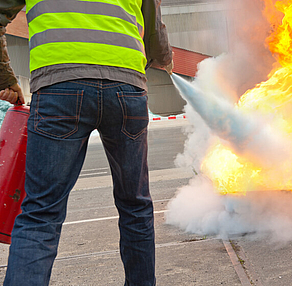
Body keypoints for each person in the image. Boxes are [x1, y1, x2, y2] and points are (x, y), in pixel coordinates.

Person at [0, 0, 173, 285]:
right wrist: (163, 58)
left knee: (40, 214)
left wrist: (5, 77)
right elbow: (153, 27)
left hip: (59, 87)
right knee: (135, 206)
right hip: (125, 88)